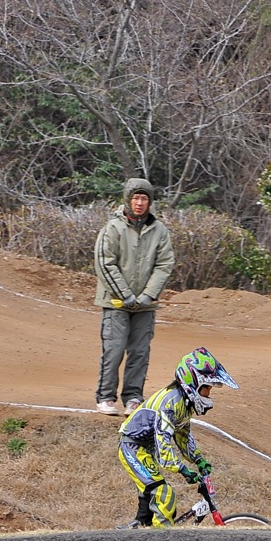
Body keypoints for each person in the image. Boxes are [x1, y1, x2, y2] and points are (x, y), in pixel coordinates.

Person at [116, 347, 239, 529]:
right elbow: (163, 443)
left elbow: (183, 436)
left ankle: (144, 530)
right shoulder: (170, 403)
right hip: (133, 447)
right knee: (164, 495)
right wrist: (183, 470)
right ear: (194, 383)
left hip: (145, 449)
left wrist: (198, 459)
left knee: (151, 512)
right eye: (207, 389)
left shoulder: (183, 403)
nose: (208, 395)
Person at [94, 177, 175, 416]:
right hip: (115, 303)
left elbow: (164, 264)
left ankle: (133, 398)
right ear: (128, 200)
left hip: (145, 306)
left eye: (144, 198)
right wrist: (126, 295)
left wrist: (148, 295)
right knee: (114, 349)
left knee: (140, 352)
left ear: (150, 202)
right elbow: (104, 263)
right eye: (136, 198)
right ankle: (105, 397)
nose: (139, 203)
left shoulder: (159, 230)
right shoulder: (112, 228)